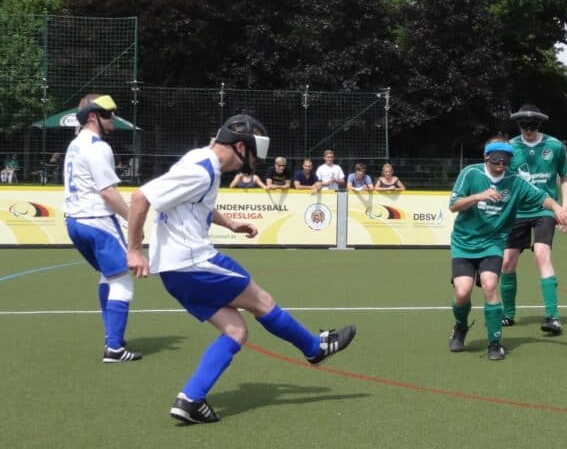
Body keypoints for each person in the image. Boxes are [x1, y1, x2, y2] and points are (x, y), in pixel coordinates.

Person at [125, 114, 356, 424]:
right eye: (247, 160)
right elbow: (140, 197)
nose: (246, 168)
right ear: (237, 146)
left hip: (173, 272)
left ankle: (190, 399)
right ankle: (315, 348)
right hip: (195, 262)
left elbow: (195, 203)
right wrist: (134, 249)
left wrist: (230, 223)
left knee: (236, 330)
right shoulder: (202, 169)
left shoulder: (199, 161)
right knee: (262, 301)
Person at [448, 136, 567, 360]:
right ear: (486, 157)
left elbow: (541, 197)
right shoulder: (471, 173)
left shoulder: (514, 181)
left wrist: (557, 208)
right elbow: (453, 205)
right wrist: (478, 196)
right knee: (462, 292)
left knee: (490, 285)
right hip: (464, 242)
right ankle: (460, 326)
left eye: (505, 161)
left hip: (493, 243)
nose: (501, 165)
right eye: (496, 160)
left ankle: (495, 343)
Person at [63, 94, 141, 363]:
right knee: (122, 281)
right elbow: (108, 192)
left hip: (74, 221)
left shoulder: (74, 144)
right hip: (97, 220)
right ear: (94, 116)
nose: (113, 118)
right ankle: (114, 348)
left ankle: (112, 338)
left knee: (109, 276)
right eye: (108, 114)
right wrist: (134, 220)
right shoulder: (98, 147)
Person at [499, 104, 567, 335]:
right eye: (524, 125)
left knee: (542, 255)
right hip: (516, 212)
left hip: (545, 210)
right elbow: (501, 180)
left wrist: (564, 208)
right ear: (518, 124)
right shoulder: (510, 147)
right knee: (507, 262)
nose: (528, 129)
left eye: (533, 125)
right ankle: (508, 314)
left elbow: (566, 178)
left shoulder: (554, 146)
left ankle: (552, 316)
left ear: (540, 124)